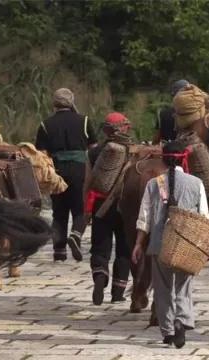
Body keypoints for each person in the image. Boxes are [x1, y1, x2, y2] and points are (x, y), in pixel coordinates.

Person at [132, 141, 209, 349]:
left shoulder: (153, 184)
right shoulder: (196, 183)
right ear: (183, 158)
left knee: (162, 288)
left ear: (163, 159)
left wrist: (139, 244)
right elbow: (204, 217)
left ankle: (167, 331)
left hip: (159, 244)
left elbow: (144, 218)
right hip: (185, 244)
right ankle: (182, 320)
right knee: (183, 286)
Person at [36, 88, 97, 261]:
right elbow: (93, 148)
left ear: (54, 103)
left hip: (57, 170)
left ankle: (59, 251)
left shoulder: (45, 124)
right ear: (71, 102)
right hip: (80, 169)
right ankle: (76, 235)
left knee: (59, 211)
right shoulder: (83, 120)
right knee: (80, 209)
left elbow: (40, 153)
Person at [85, 112, 133, 305]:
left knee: (100, 247)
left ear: (105, 131)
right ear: (125, 128)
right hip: (125, 207)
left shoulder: (94, 152)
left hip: (100, 207)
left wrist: (86, 210)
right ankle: (118, 292)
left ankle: (100, 277)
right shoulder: (134, 151)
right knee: (124, 249)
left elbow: (87, 184)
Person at [153, 80, 189, 144]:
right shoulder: (198, 114)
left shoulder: (163, 114)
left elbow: (157, 138)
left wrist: (152, 147)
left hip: (168, 151)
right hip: (188, 151)